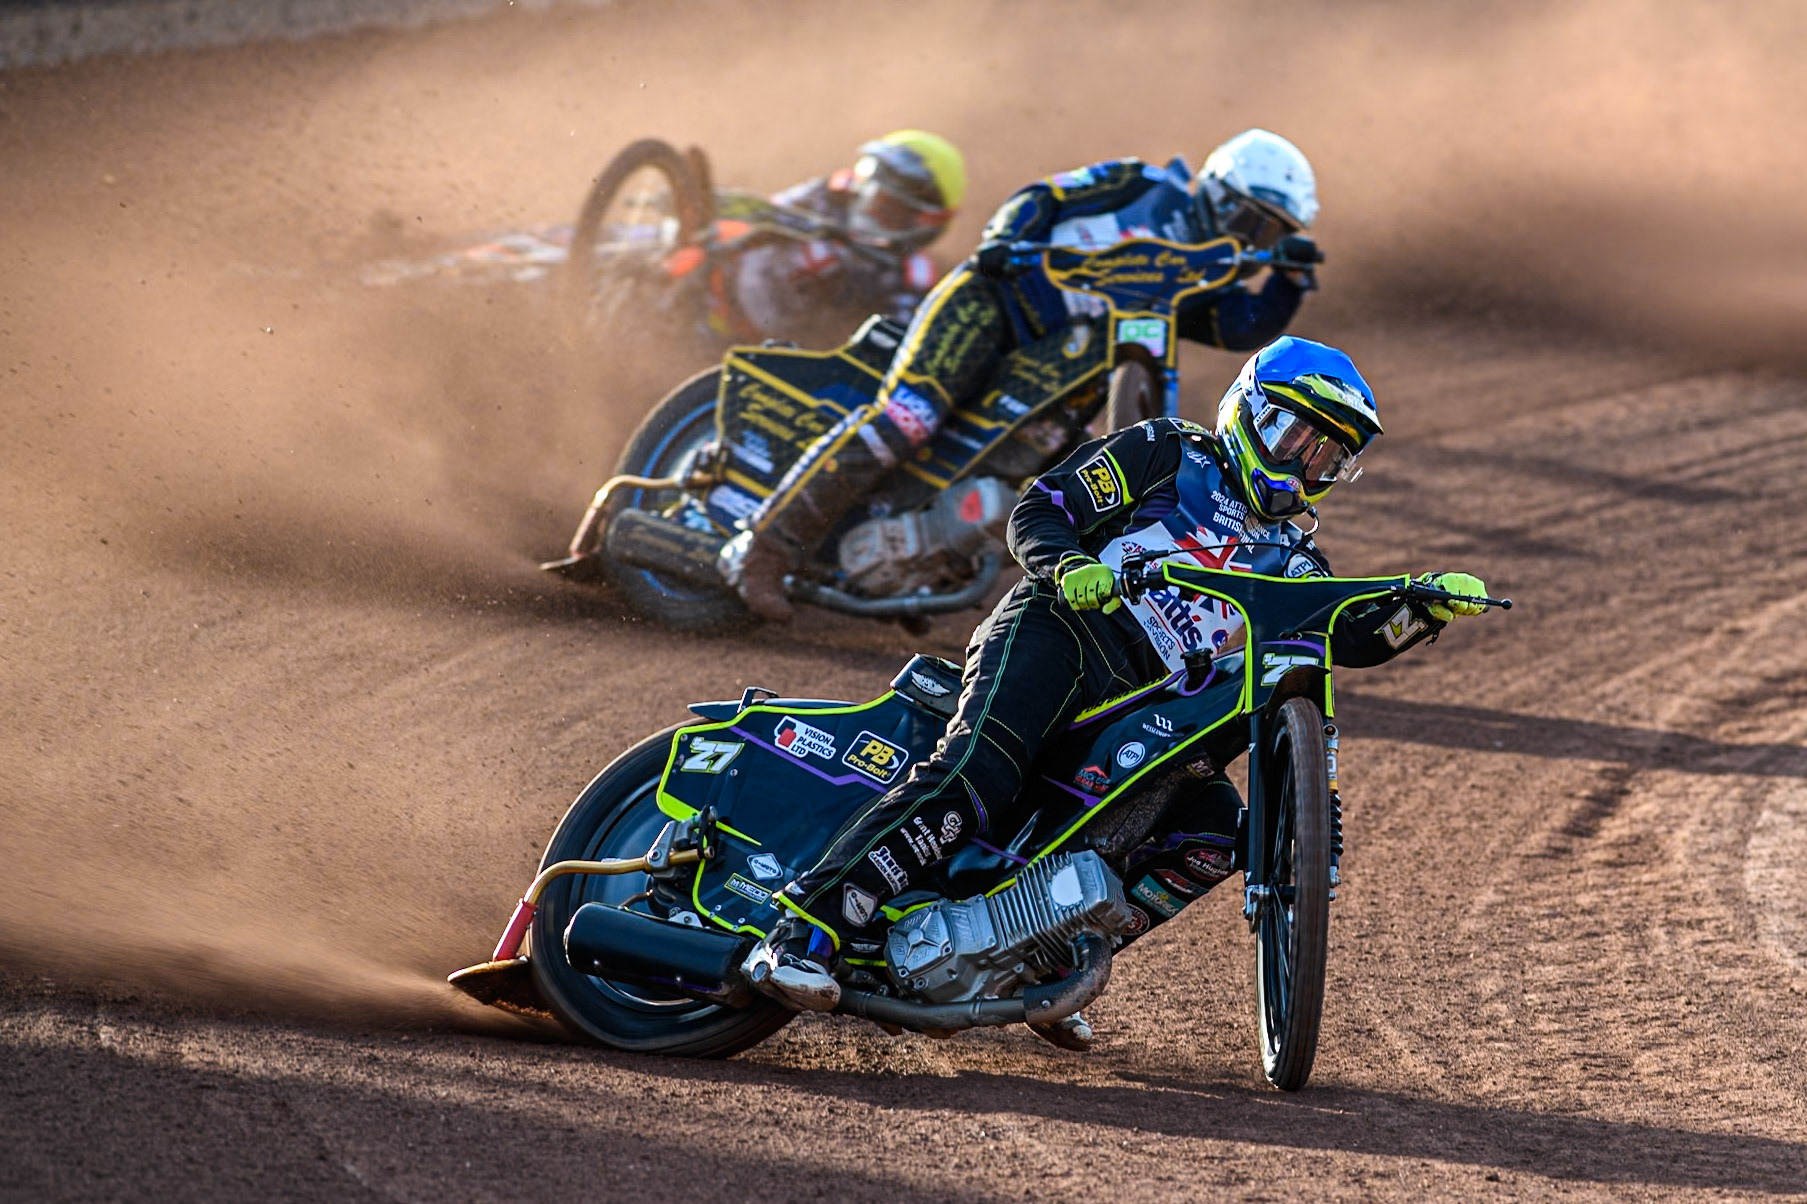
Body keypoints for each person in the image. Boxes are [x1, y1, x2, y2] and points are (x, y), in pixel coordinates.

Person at [741, 336, 1492, 1049]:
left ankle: (1037, 958)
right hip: (1062, 630)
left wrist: (1415, 611)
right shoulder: (1168, 449)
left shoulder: (1293, 554)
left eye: (1327, 456)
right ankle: (802, 929)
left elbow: (1343, 635)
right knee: (979, 773)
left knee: (1211, 831)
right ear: (1248, 412)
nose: (1304, 466)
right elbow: (1040, 510)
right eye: (1296, 439)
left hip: (1139, 700)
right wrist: (1069, 567)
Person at [730, 129, 1325, 621]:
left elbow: (1235, 329)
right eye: (1256, 222)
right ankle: (764, 547)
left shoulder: (1205, 274)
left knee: (1064, 473)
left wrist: (1287, 279)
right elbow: (1046, 195)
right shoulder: (1142, 184)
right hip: (994, 302)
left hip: (1062, 361)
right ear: (1222, 192)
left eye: (1271, 233)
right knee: (905, 420)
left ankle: (926, 560)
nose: (1255, 240)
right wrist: (1006, 241)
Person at [721, 130, 967, 343]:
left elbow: (890, 341)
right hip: (723, 299)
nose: (873, 213)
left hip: (773, 352)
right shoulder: (827, 195)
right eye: (872, 197)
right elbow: (754, 216)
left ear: (925, 223)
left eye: (890, 210)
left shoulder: (914, 277)